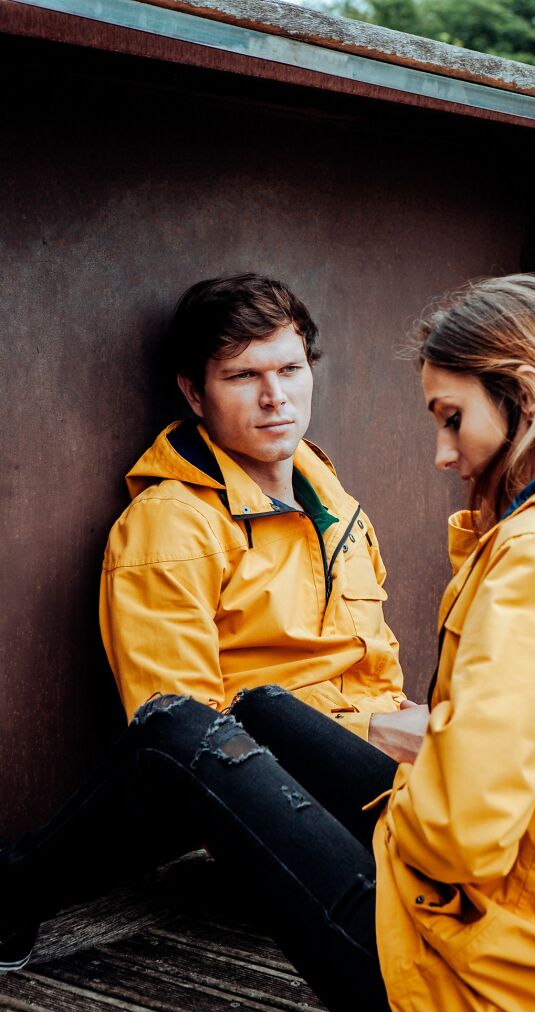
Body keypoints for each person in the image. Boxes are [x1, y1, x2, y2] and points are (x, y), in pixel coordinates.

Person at [2, 274, 535, 1012]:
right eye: (243, 376)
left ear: (526, 402)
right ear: (193, 395)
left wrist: (423, 762)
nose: (440, 454)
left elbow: (454, 839)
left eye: (451, 419)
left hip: (472, 995)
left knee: (180, 732)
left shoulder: (530, 554)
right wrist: (416, 746)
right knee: (226, 714)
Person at [99, 272, 406, 739]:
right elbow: (192, 744)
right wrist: (379, 733)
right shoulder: (170, 527)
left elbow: (378, 673)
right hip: (287, 795)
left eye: (290, 370)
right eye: (244, 375)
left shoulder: (338, 507)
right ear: (194, 393)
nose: (275, 398)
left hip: (396, 776)